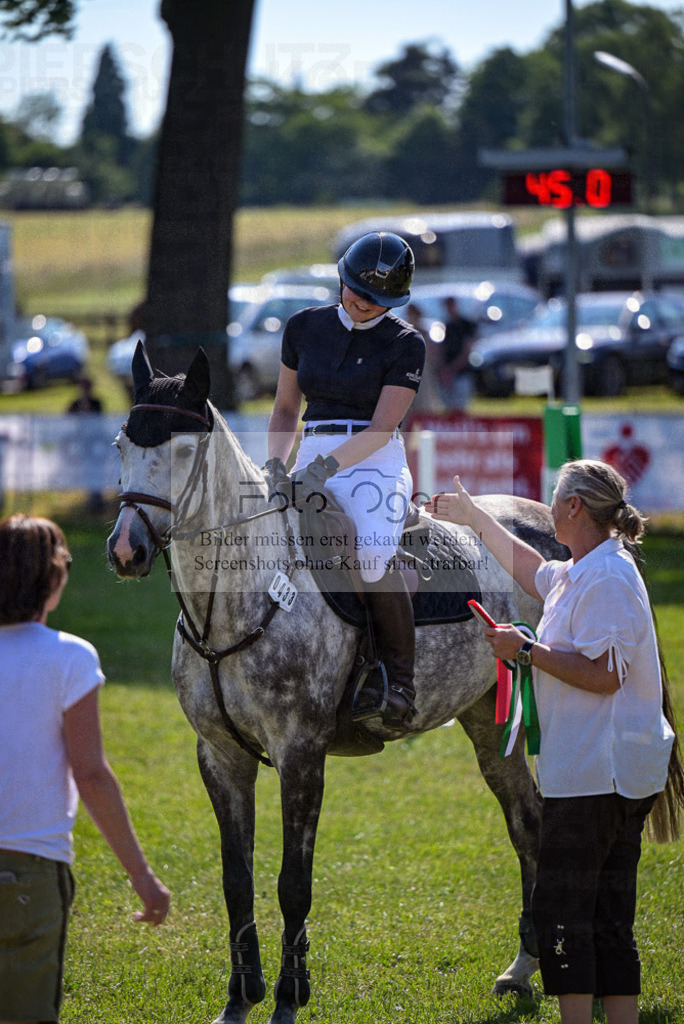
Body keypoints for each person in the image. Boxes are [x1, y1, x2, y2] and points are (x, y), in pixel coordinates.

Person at [425, 461, 683, 1024]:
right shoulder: (585, 569)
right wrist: (473, 517)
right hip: (603, 771)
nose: (547, 504)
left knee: (565, 919)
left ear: (573, 508)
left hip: (597, 777)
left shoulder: (608, 578)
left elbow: (604, 675)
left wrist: (524, 651)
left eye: (554, 496)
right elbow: (531, 569)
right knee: (609, 921)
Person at [0, 515, 170, 1024]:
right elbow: (91, 775)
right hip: (28, 874)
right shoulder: (70, 658)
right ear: (54, 579)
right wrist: (141, 875)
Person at [266, 231, 425, 731]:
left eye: (377, 299)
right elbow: (286, 409)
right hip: (311, 446)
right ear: (341, 277)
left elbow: (381, 428)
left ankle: (399, 682)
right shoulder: (302, 327)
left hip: (373, 459)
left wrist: (323, 470)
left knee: (372, 553)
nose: (362, 302)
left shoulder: (406, 344)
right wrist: (275, 465)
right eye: (357, 290)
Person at [438, 296, 477, 410]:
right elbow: (443, 349)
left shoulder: (466, 325)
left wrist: (453, 368)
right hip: (449, 373)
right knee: (448, 407)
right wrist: (444, 370)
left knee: (460, 407)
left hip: (462, 372)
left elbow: (467, 350)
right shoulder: (448, 326)